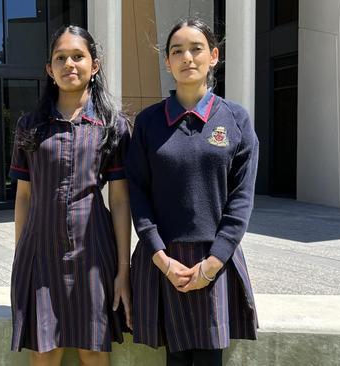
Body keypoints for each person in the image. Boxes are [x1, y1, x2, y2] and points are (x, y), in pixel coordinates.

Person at [126, 18, 259, 366]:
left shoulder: (236, 119)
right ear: (167, 62)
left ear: (213, 56)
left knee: (208, 359)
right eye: (177, 51)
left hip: (214, 259)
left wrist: (213, 263)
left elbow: (241, 200)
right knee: (175, 359)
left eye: (196, 49)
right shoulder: (148, 122)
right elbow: (137, 193)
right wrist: (160, 257)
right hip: (162, 259)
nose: (187, 57)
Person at [9, 25, 132, 366]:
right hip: (40, 253)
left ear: (95, 65)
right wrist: (21, 257)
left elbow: (120, 200)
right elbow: (23, 196)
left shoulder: (113, 126)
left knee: (93, 349)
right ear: (49, 69)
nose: (69, 64)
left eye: (78, 56)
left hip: (93, 251)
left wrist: (124, 270)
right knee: (44, 350)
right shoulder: (30, 126)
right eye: (60, 58)